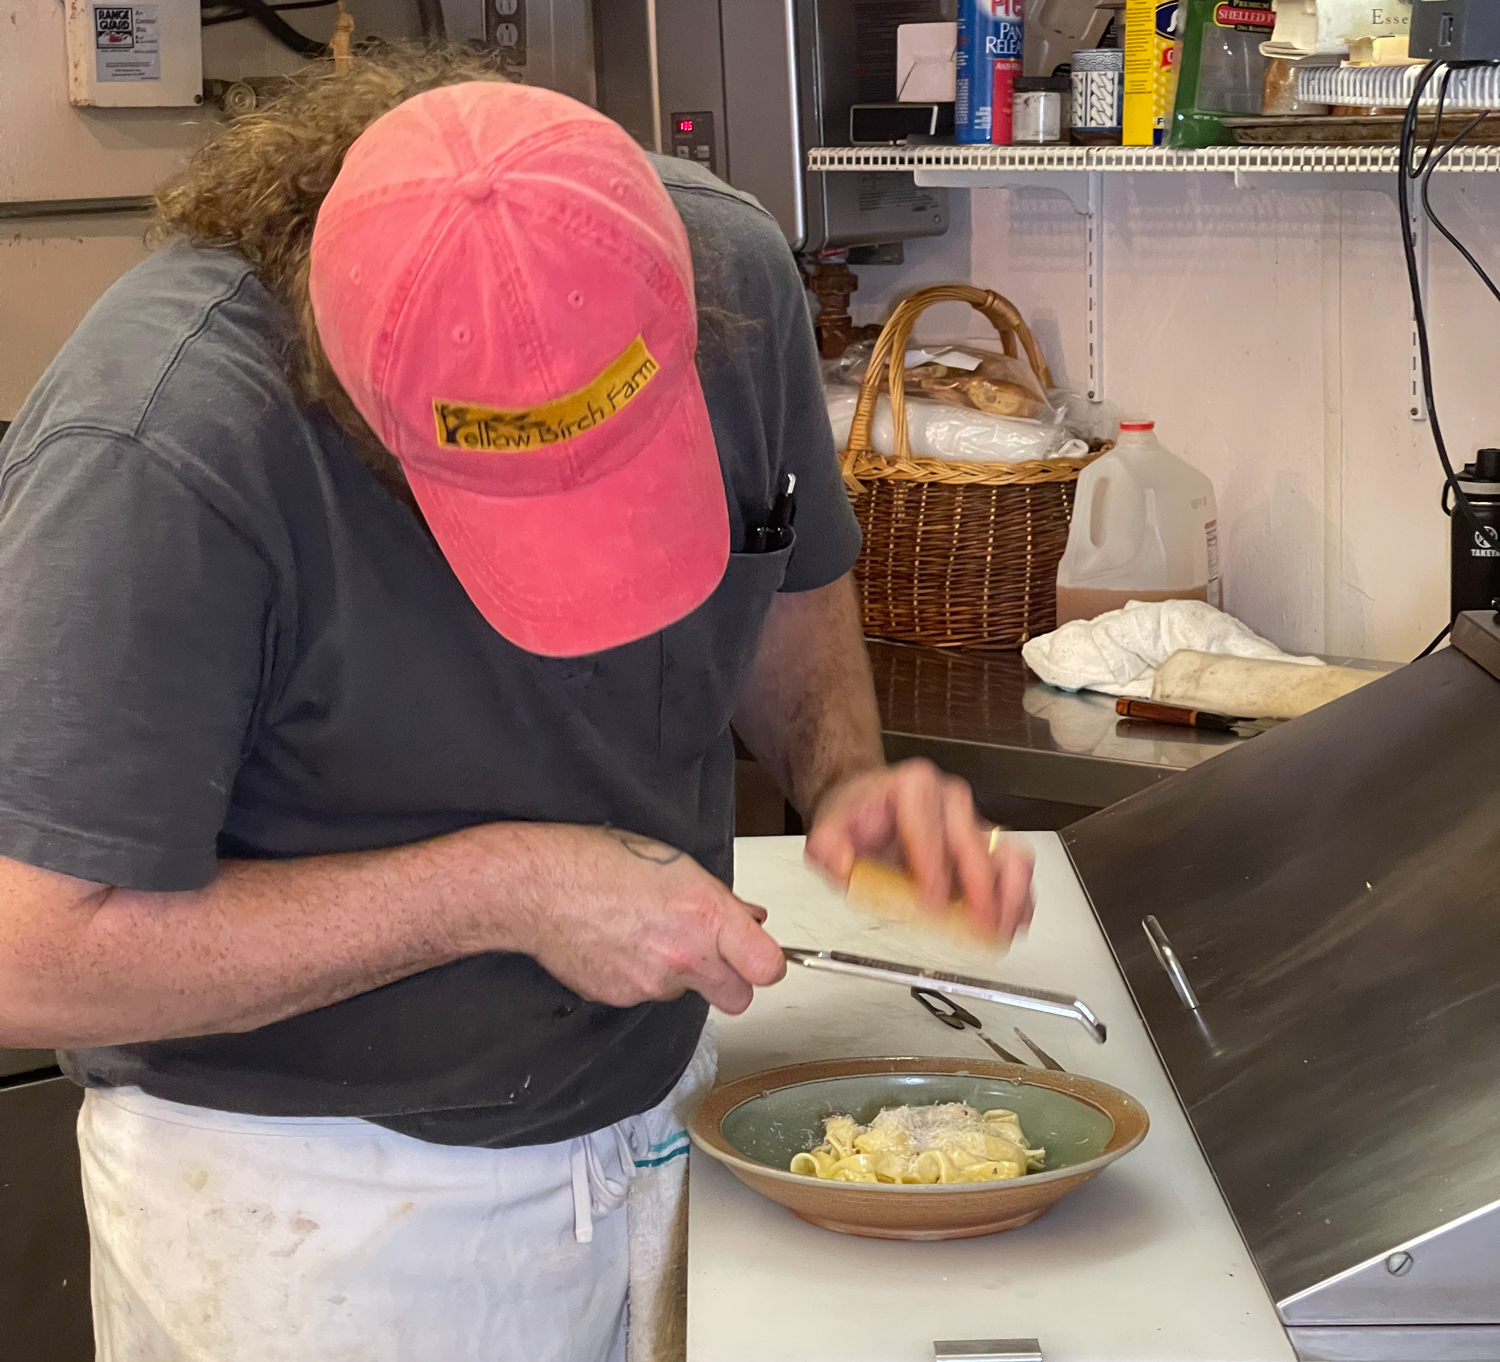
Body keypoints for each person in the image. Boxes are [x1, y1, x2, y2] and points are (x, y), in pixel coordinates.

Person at [0, 48, 1034, 1362]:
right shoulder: (162, 446)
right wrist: (493, 889)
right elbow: (27, 952)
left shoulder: (721, 274)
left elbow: (783, 575)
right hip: (314, 1206)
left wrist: (845, 778)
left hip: (660, 1119)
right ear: (359, 403)